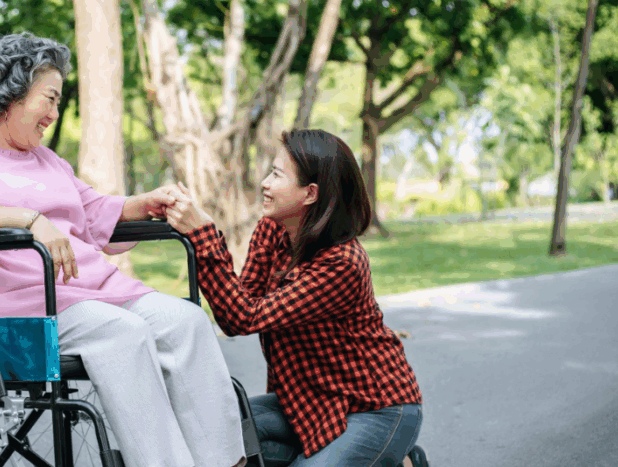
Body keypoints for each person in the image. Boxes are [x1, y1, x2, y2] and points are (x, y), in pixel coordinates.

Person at [0, 32, 247, 467]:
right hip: (16, 307)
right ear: (11, 93)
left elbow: (91, 211)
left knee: (185, 320)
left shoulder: (48, 161)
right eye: (47, 99)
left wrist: (140, 205)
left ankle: (225, 462)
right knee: (122, 333)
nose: (53, 113)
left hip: (88, 293)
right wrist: (30, 220)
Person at [163, 129, 430, 467]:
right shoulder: (272, 229)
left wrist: (202, 236)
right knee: (211, 431)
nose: (265, 183)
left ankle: (389, 455)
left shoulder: (341, 265)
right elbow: (233, 316)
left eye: (277, 174)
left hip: (376, 408)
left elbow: (247, 316)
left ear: (310, 193)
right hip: (308, 403)